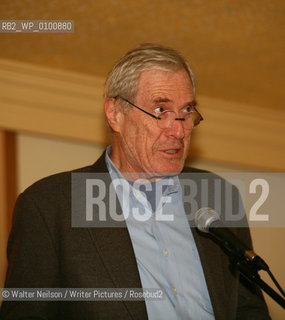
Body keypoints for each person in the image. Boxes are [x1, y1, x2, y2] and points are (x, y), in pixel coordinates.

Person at [0, 43, 270, 319]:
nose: (179, 129)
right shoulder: (49, 206)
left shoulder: (219, 197)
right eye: (160, 110)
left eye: (187, 111)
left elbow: (248, 310)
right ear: (115, 113)